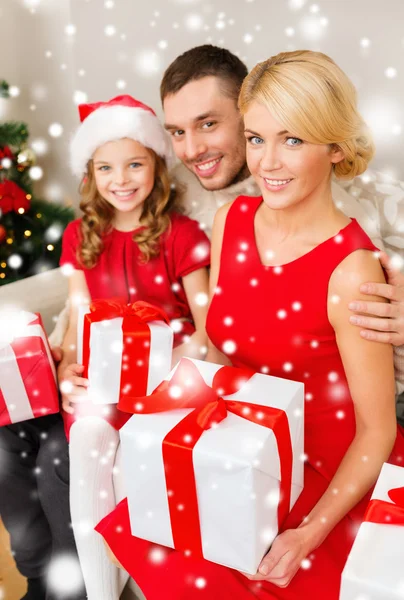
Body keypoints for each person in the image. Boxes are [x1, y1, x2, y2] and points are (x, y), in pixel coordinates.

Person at [95, 50, 404, 600]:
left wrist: (309, 532)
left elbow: (376, 430)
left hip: (326, 475)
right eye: (258, 139)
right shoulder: (229, 220)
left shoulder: (353, 270)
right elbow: (220, 351)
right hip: (247, 449)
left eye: (293, 140)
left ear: (335, 147)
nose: (268, 163)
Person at [57, 94, 210, 600]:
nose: (121, 180)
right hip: (102, 385)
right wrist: (68, 371)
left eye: (134, 164)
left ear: (157, 166)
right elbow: (78, 319)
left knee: (133, 463)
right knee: (87, 441)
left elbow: (206, 327)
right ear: (91, 175)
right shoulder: (81, 235)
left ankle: (144, 582)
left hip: (164, 385)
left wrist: (172, 367)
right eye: (106, 167)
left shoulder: (182, 235)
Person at [0, 414, 86, 600]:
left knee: (55, 457)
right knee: (4, 437)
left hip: (101, 405)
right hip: (54, 401)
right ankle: (38, 579)